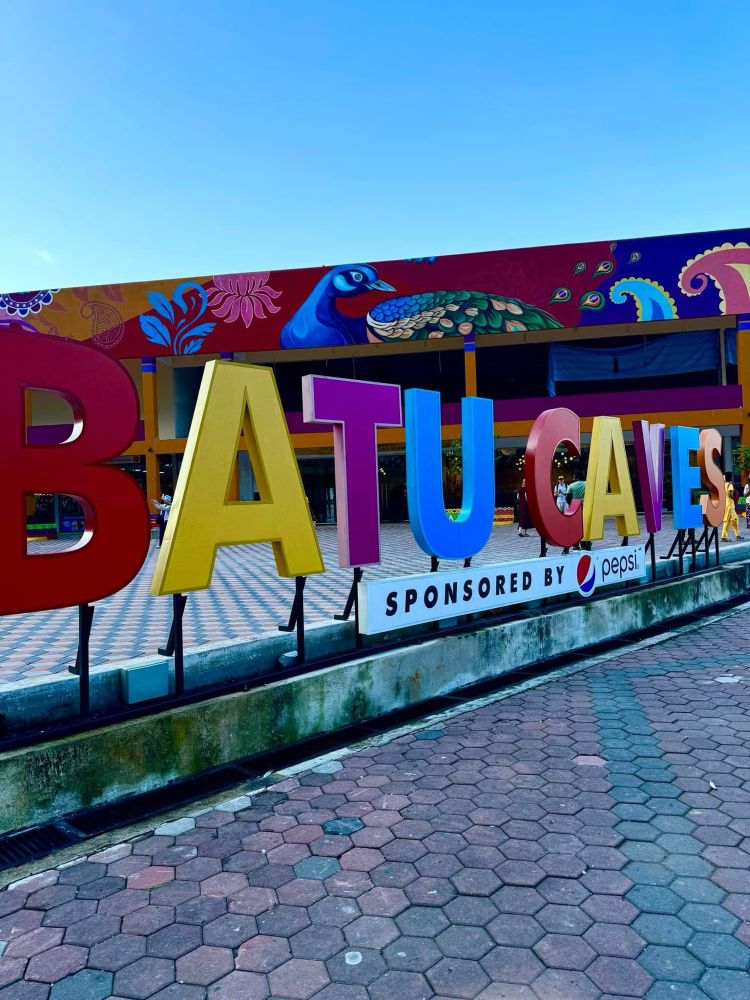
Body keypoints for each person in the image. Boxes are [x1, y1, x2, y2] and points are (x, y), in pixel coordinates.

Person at [566, 479, 592, 550]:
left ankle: (575, 545)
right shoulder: (588, 484)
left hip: (575, 509)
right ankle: (585, 543)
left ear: (575, 477)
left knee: (576, 527)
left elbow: (567, 498)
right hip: (586, 508)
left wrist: (571, 505)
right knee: (585, 526)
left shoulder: (571, 486)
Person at [721, 474, 742, 542]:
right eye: (732, 476)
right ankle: (724, 537)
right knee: (734, 519)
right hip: (730, 505)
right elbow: (730, 495)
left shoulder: (724, 485)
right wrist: (735, 497)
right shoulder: (730, 485)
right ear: (730, 478)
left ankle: (737, 535)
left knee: (731, 520)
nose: (733, 477)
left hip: (726, 504)